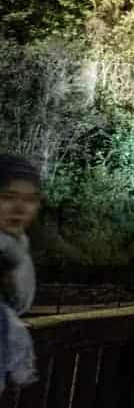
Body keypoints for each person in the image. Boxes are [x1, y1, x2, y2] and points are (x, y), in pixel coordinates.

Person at [0, 155, 40, 390]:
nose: (20, 208)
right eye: (7, 197)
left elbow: (21, 302)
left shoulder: (17, 245)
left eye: (30, 199)